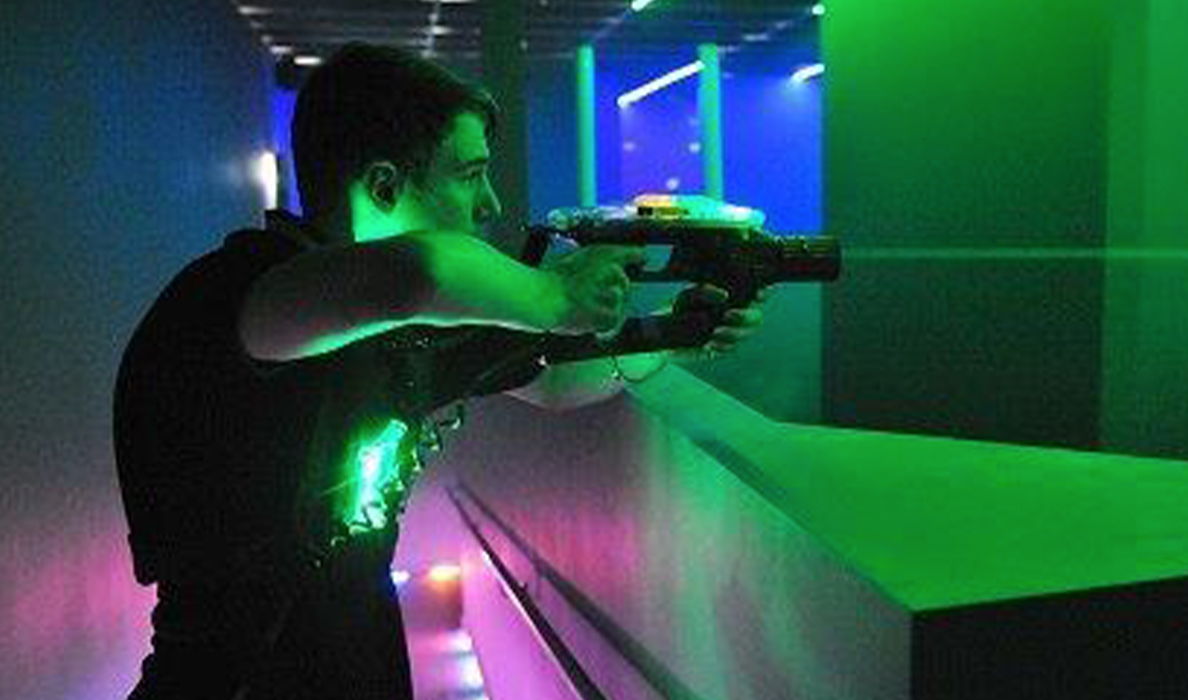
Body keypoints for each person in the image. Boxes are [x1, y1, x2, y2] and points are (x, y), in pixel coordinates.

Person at [114, 42, 766, 699]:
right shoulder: (242, 291)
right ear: (385, 187)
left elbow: (552, 380)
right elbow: (418, 273)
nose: (489, 204)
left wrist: (672, 336)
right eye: (469, 174)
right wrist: (557, 296)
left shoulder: (398, 329)